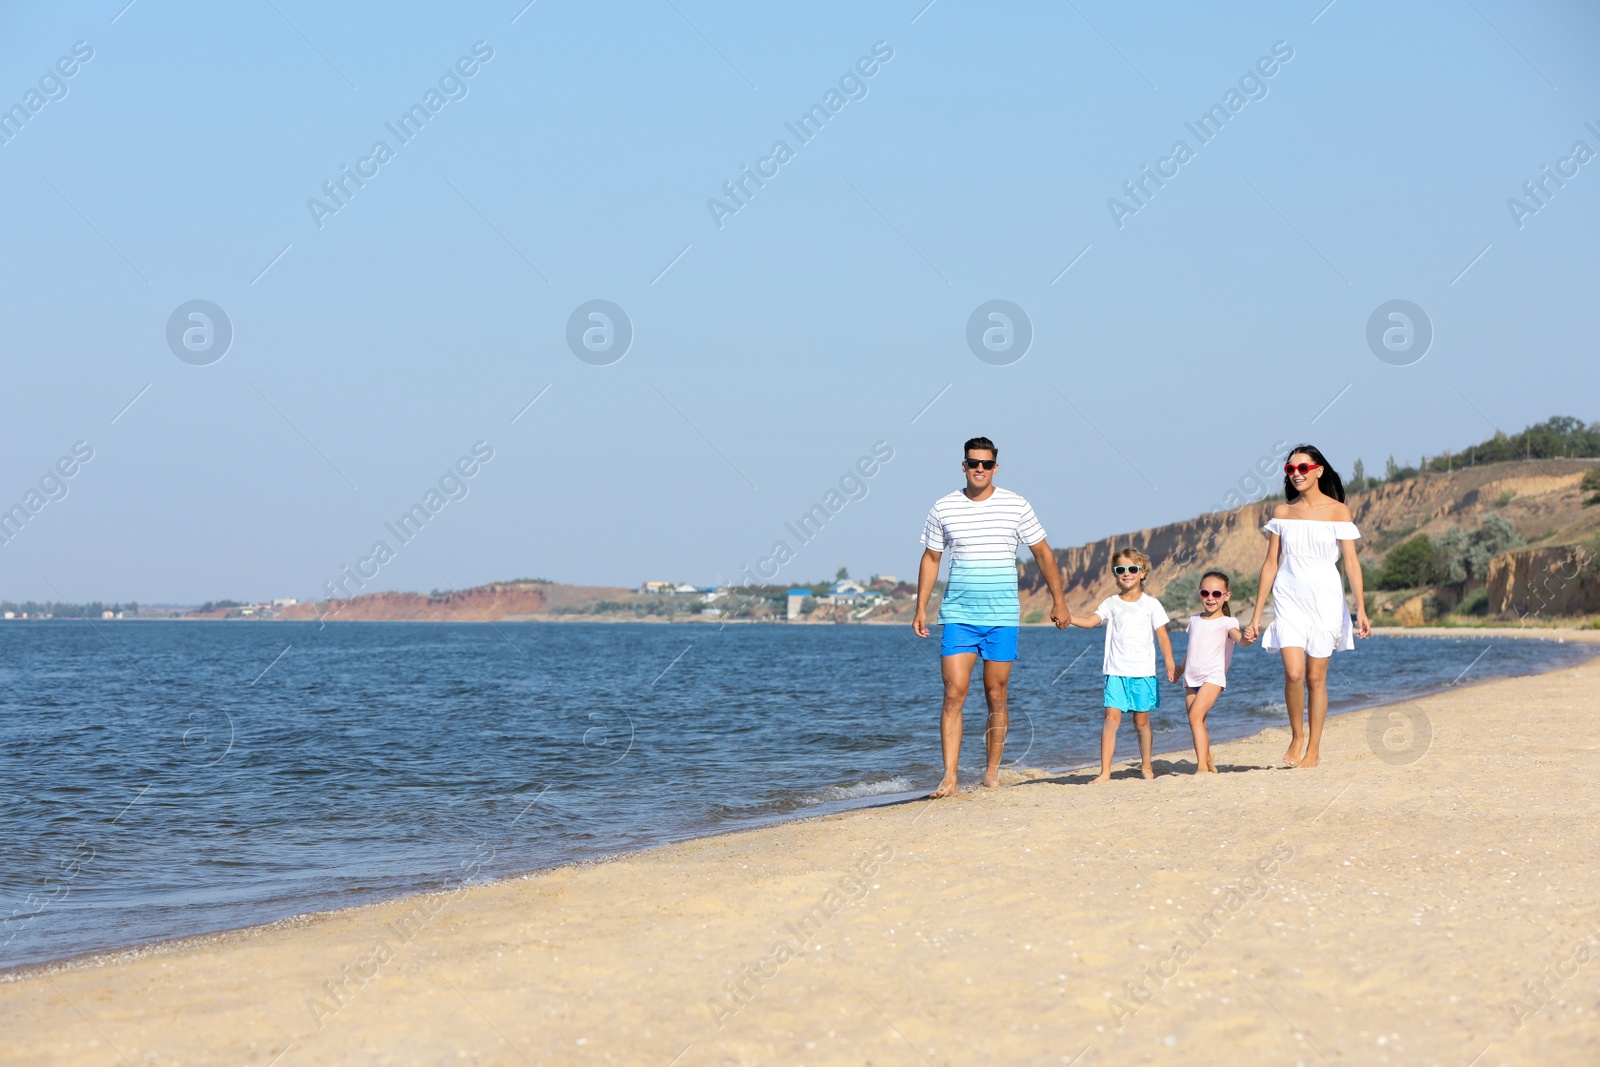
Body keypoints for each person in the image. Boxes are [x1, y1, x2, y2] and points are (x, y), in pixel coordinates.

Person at [913, 437, 1070, 799]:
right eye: (972, 463)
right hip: (959, 615)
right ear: (963, 465)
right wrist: (921, 607)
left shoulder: (1016, 505)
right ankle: (949, 778)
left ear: (995, 466)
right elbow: (932, 558)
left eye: (985, 464)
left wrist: (1059, 601)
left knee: (996, 695)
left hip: (1002, 616)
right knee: (954, 693)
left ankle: (991, 773)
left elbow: (1043, 554)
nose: (979, 469)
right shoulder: (944, 507)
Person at [1244, 445, 1371, 768]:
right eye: (1290, 469)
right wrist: (1257, 614)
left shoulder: (1338, 511)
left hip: (1326, 601)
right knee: (1293, 672)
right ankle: (1297, 736)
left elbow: (1352, 565)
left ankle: (1313, 749)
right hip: (1289, 600)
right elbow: (1270, 564)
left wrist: (1362, 610)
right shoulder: (1282, 513)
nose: (1296, 474)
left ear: (1318, 470)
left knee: (1315, 678)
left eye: (1302, 468)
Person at [1066, 548, 1176, 782]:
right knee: (1110, 720)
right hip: (1115, 673)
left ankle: (1146, 766)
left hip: (1143, 673)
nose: (1127, 573)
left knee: (1142, 722)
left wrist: (1169, 661)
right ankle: (1105, 771)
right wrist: (1069, 618)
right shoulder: (1111, 603)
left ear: (1143, 573)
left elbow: (1163, 636)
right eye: (1121, 569)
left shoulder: (1152, 604)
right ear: (1115, 575)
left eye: (1132, 569)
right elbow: (1090, 621)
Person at [1177, 570, 1255, 774]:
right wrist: (1181, 668)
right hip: (1191, 676)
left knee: (1195, 716)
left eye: (1216, 594)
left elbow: (1240, 640)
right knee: (1197, 721)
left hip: (1213, 676)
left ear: (1226, 595)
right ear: (1200, 593)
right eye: (1205, 593)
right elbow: (1192, 648)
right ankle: (1208, 758)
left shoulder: (1228, 622)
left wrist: (1248, 639)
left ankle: (1201, 766)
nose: (1210, 598)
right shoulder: (1194, 620)